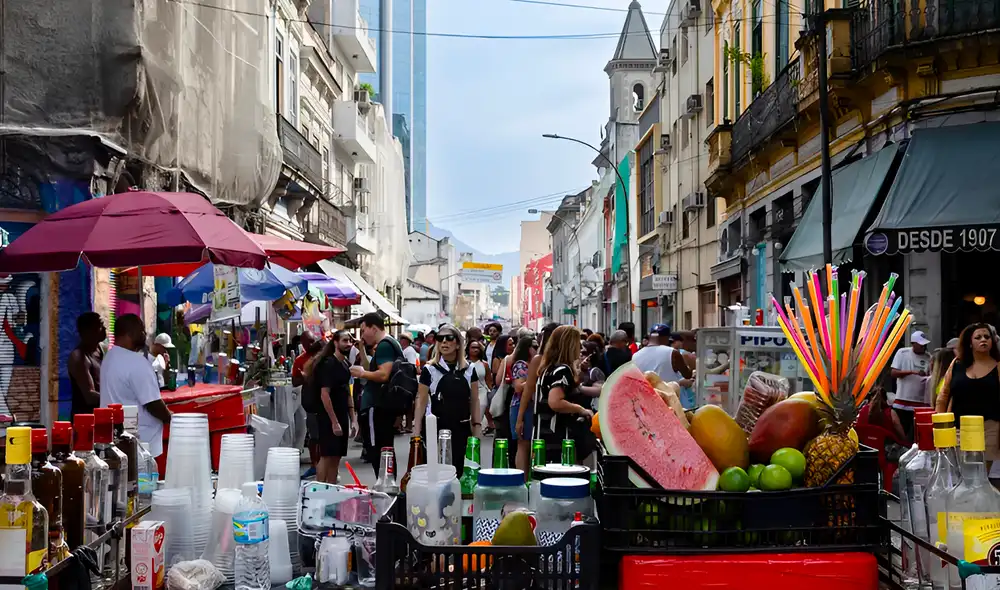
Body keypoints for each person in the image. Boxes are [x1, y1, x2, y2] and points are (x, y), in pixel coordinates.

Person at [99, 314, 171, 458]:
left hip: (116, 438)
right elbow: (153, 404)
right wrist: (170, 418)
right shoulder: (137, 363)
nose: (144, 335)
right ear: (130, 333)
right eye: (141, 331)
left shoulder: (109, 357)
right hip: (141, 445)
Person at [413, 324, 481, 474]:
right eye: (440, 338)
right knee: (437, 474)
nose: (444, 342)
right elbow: (421, 401)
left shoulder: (469, 369)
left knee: (462, 473)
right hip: (436, 429)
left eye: (449, 338)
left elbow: (475, 400)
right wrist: (416, 434)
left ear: (458, 344)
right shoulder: (429, 369)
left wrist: (477, 429)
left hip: (462, 429)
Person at [936, 323, 1000, 467]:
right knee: (961, 472)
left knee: (980, 473)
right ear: (970, 343)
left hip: (989, 428)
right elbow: (943, 396)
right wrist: (940, 427)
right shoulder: (957, 364)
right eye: (978, 337)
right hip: (959, 427)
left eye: (987, 337)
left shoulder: (998, 366)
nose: (983, 339)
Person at [351, 313, 405, 474]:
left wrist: (361, 374)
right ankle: (387, 485)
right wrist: (361, 348)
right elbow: (372, 369)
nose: (362, 335)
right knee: (383, 449)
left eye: (363, 330)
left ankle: (385, 485)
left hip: (377, 405)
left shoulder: (384, 345)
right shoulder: (386, 344)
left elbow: (383, 374)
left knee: (378, 450)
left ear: (373, 328)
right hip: (382, 405)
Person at [534, 325, 596, 464]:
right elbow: (555, 402)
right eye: (578, 344)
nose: (581, 349)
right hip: (557, 435)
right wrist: (580, 410)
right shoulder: (562, 370)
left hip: (542, 434)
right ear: (569, 345)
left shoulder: (549, 368)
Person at [306, 330, 358, 483]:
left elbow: (348, 393)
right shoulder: (328, 364)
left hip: (341, 415)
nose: (348, 344)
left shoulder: (345, 364)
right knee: (327, 456)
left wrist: (353, 419)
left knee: (336, 457)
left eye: (350, 341)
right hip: (328, 417)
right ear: (335, 343)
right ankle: (321, 489)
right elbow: (324, 395)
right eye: (344, 340)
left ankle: (331, 488)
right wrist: (334, 421)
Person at [515, 322, 559, 450]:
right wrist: (520, 418)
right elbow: (528, 389)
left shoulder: (566, 359)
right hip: (543, 412)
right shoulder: (539, 360)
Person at [891, 330, 932, 440]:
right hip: (902, 401)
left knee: (917, 435)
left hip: (921, 403)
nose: (923, 346)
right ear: (913, 343)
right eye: (920, 344)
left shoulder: (929, 357)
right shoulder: (902, 353)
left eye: (925, 344)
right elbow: (894, 373)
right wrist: (912, 372)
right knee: (902, 433)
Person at [508, 336, 538, 474]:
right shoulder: (521, 364)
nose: (537, 350)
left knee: (528, 443)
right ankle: (522, 476)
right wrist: (534, 380)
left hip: (530, 405)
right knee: (523, 443)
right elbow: (519, 387)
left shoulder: (533, 364)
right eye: (534, 347)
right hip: (521, 405)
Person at [69, 312, 107, 417]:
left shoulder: (102, 349)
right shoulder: (78, 357)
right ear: (89, 331)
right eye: (100, 326)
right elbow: (89, 396)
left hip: (101, 416)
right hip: (85, 421)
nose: (104, 329)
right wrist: (115, 398)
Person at [468, 340, 492, 433]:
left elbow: (488, 380)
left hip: (482, 391)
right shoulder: (464, 363)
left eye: (477, 347)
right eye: (473, 347)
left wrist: (490, 393)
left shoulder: (484, 364)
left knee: (478, 415)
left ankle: (475, 434)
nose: (475, 350)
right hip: (468, 392)